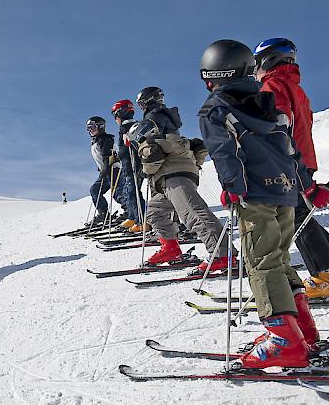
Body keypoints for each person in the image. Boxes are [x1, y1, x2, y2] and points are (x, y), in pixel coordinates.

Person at [198, 39, 329, 368]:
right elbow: (289, 147)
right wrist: (307, 186)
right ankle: (302, 330)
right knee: (280, 261)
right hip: (285, 192)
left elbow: (224, 152)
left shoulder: (215, 108)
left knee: (261, 264)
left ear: (212, 75)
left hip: (255, 195)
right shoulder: (268, 101)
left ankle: (284, 340)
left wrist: (234, 187)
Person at [253, 38, 329, 299]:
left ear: (266, 61)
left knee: (295, 221)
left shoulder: (272, 86)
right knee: (302, 215)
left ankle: (326, 275)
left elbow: (278, 128)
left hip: (287, 162)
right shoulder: (294, 87)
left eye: (256, 64)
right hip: (302, 160)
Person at [131, 86, 233, 270]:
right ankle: (170, 248)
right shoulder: (166, 117)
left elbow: (154, 152)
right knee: (154, 211)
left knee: (193, 213)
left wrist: (142, 155)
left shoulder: (152, 118)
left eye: (140, 103)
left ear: (145, 102)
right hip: (171, 175)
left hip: (173, 173)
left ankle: (223, 255)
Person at [112, 99, 147, 233]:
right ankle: (133, 216)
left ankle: (142, 220)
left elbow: (136, 144)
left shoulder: (129, 126)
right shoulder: (124, 128)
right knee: (128, 191)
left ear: (120, 113)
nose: (115, 119)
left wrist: (128, 146)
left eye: (115, 115)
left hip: (134, 165)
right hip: (127, 166)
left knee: (133, 192)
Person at [86, 116, 123, 225]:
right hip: (106, 170)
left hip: (113, 169)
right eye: (88, 128)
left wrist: (105, 169)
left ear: (100, 127)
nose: (90, 130)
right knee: (95, 190)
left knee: (117, 193)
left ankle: (129, 212)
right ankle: (104, 214)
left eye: (92, 127)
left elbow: (107, 156)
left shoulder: (105, 139)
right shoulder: (96, 141)